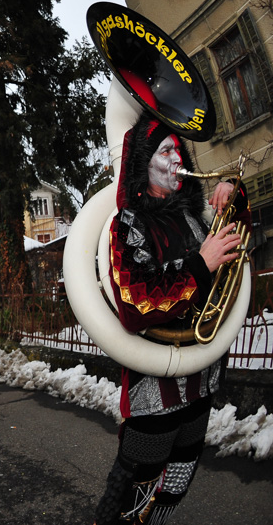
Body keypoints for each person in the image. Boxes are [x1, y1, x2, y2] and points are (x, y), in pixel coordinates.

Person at [93, 116, 249, 525]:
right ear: (144, 165)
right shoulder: (128, 225)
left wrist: (234, 195)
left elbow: (240, 244)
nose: (177, 157)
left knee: (173, 492)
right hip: (154, 395)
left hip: (202, 383)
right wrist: (201, 264)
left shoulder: (197, 218)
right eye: (166, 151)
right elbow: (135, 303)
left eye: (179, 150)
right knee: (130, 494)